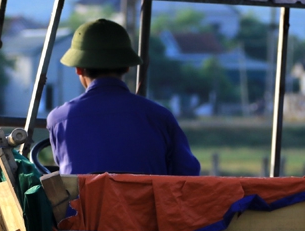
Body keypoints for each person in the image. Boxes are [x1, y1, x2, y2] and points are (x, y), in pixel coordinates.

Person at [47, 18, 200, 176]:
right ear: (127, 67)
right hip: (147, 194)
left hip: (84, 194)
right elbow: (188, 175)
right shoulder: (160, 117)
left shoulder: (59, 119)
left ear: (79, 69)